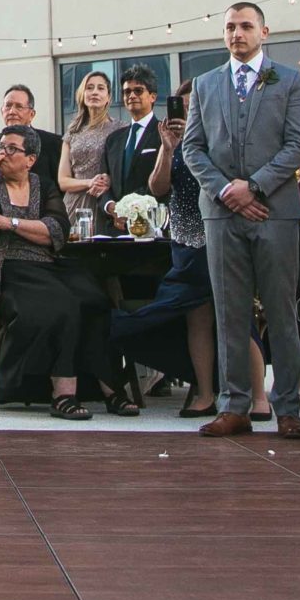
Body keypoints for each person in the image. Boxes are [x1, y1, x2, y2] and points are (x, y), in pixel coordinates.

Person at [182, 3, 300, 437]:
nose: (237, 34)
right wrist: (227, 191)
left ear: (264, 32)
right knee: (229, 311)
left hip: (275, 212)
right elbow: (192, 149)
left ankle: (288, 407)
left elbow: (298, 144)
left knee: (280, 311)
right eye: (229, 27)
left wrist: (253, 187)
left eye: (245, 26)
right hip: (221, 214)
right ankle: (234, 405)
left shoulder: (289, 81)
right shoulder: (204, 84)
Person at [0, 126, 121, 418]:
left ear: (31, 159)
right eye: (1, 146)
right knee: (62, 305)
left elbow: (56, 231)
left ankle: (110, 389)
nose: (4, 153)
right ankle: (63, 395)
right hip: (9, 266)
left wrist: (9, 222)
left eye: (12, 148)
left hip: (50, 263)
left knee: (95, 300)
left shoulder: (44, 185)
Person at [114, 86, 220, 418]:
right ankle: (204, 391)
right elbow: (157, 187)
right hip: (186, 240)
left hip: (220, 233)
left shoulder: (217, 136)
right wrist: (168, 147)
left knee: (236, 315)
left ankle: (255, 396)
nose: (185, 113)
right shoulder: (173, 143)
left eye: (192, 107)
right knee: (195, 315)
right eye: (181, 107)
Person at [100, 66, 171, 233]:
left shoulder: (165, 135)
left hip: (152, 227)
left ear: (153, 96)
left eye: (138, 91)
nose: (131, 96)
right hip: (115, 229)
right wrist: (112, 207)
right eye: (127, 92)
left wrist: (132, 209)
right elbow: (103, 183)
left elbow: (165, 183)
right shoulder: (113, 139)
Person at [0, 84, 63, 197]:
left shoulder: (52, 142)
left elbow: (59, 186)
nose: (12, 111)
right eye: (8, 106)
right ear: (1, 111)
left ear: (32, 114)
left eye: (19, 107)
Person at [58, 71, 114, 232]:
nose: (95, 92)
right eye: (89, 88)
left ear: (108, 97)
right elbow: (63, 181)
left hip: (105, 202)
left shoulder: (120, 129)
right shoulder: (72, 132)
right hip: (74, 204)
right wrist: (89, 182)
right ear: (82, 94)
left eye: (100, 88)